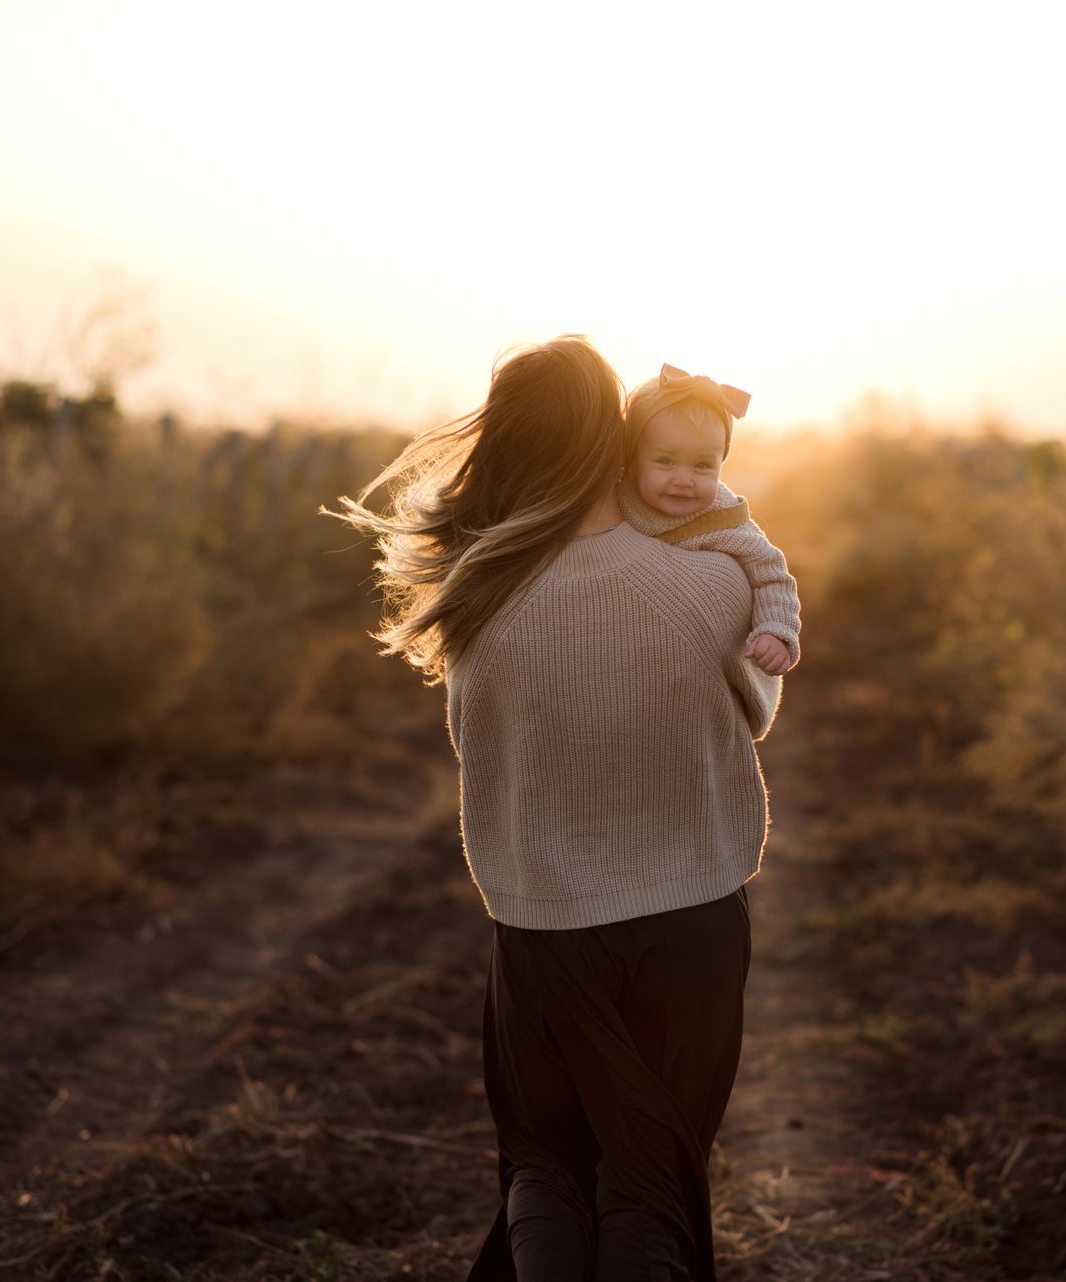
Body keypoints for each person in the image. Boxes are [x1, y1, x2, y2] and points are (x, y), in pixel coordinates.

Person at [328, 336, 783, 1280]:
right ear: (612, 446)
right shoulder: (710, 589)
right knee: (652, 1178)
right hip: (689, 917)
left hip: (542, 930)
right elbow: (758, 711)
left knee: (545, 1166)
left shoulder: (471, 596)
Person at [618, 364, 802, 677]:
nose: (683, 480)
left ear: (722, 462)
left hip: (689, 661)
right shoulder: (615, 495)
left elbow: (771, 575)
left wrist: (775, 631)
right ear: (634, 457)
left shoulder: (723, 518)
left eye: (703, 465)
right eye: (665, 461)